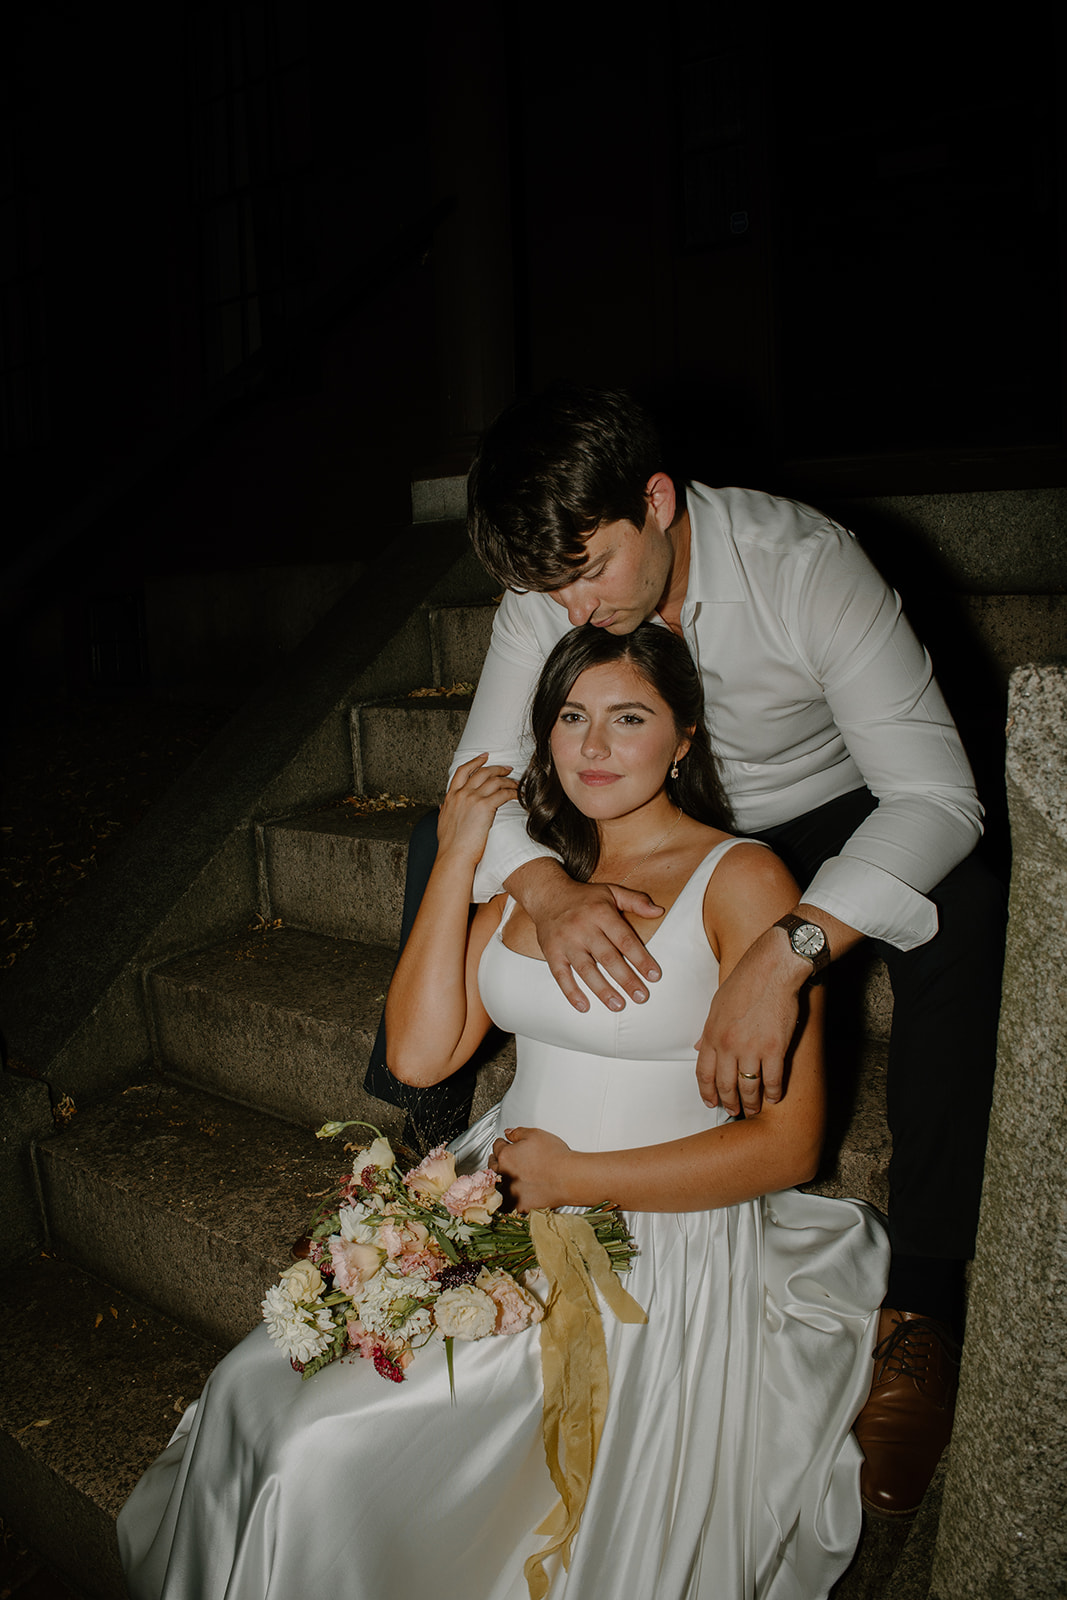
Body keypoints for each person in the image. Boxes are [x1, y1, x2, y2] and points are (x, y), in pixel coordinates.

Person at [118, 621, 887, 1600]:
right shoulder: (537, 886)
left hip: (651, 1238)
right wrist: (458, 852)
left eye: (628, 717)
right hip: (495, 1190)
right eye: (571, 716)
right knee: (244, 1391)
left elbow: (787, 1145)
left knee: (313, 1449)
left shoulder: (740, 879)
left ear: (684, 736)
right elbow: (417, 1051)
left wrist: (571, 1178)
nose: (594, 747)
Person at [367, 382, 1006, 1518]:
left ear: (655, 501)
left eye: (590, 570)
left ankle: (917, 1305)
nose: (572, 606)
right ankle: (429, 1159)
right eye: (544, 587)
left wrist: (787, 947)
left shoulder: (805, 566)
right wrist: (545, 887)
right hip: (633, 808)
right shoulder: (554, 589)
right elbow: (484, 779)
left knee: (955, 901)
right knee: (442, 843)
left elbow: (936, 797)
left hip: (814, 811)